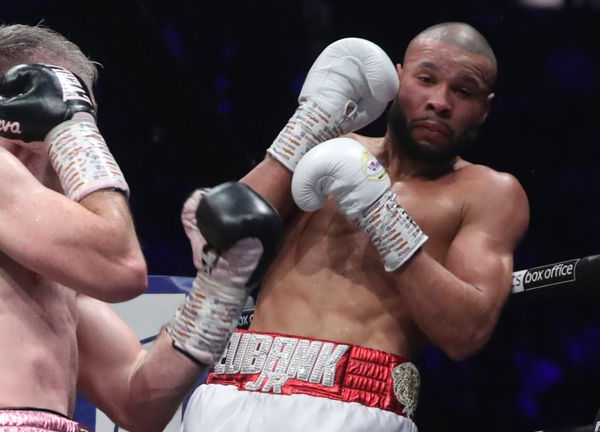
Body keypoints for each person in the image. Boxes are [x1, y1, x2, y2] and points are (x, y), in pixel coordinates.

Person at [0, 24, 282, 432]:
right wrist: (75, 130)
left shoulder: (46, 247)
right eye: (79, 112)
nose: (88, 133)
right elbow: (123, 268)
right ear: (26, 104)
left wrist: (217, 287)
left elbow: (139, 402)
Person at [181, 22, 529, 432]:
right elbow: (224, 237)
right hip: (231, 391)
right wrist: (308, 125)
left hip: (354, 406)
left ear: (485, 108)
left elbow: (465, 332)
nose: (440, 102)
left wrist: (383, 215)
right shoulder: (331, 148)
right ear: (399, 79)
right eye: (427, 79)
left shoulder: (488, 192)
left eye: (463, 91)